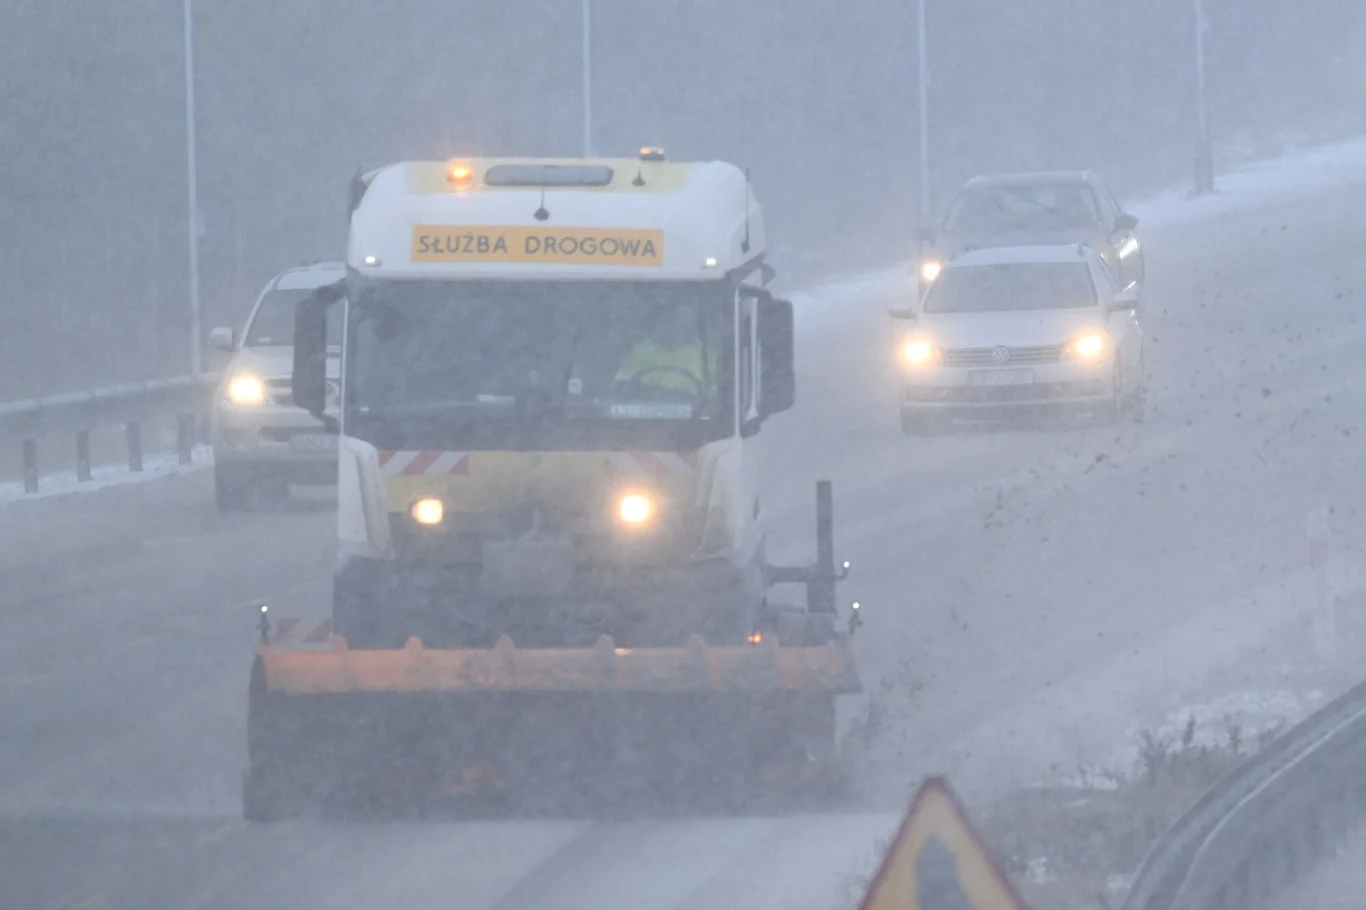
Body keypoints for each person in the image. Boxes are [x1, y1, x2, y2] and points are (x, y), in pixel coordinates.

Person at [611, 307, 714, 396]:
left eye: (679, 321)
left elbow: (715, 399)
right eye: (668, 320)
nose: (673, 327)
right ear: (657, 322)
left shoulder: (706, 356)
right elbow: (617, 391)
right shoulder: (637, 352)